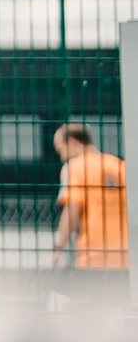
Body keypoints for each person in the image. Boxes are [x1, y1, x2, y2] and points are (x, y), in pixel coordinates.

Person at [50, 123, 127, 302]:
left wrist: (58, 248)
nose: (62, 157)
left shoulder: (74, 167)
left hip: (92, 255)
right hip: (125, 256)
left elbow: (72, 210)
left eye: (61, 150)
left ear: (72, 142)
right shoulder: (119, 165)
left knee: (60, 301)